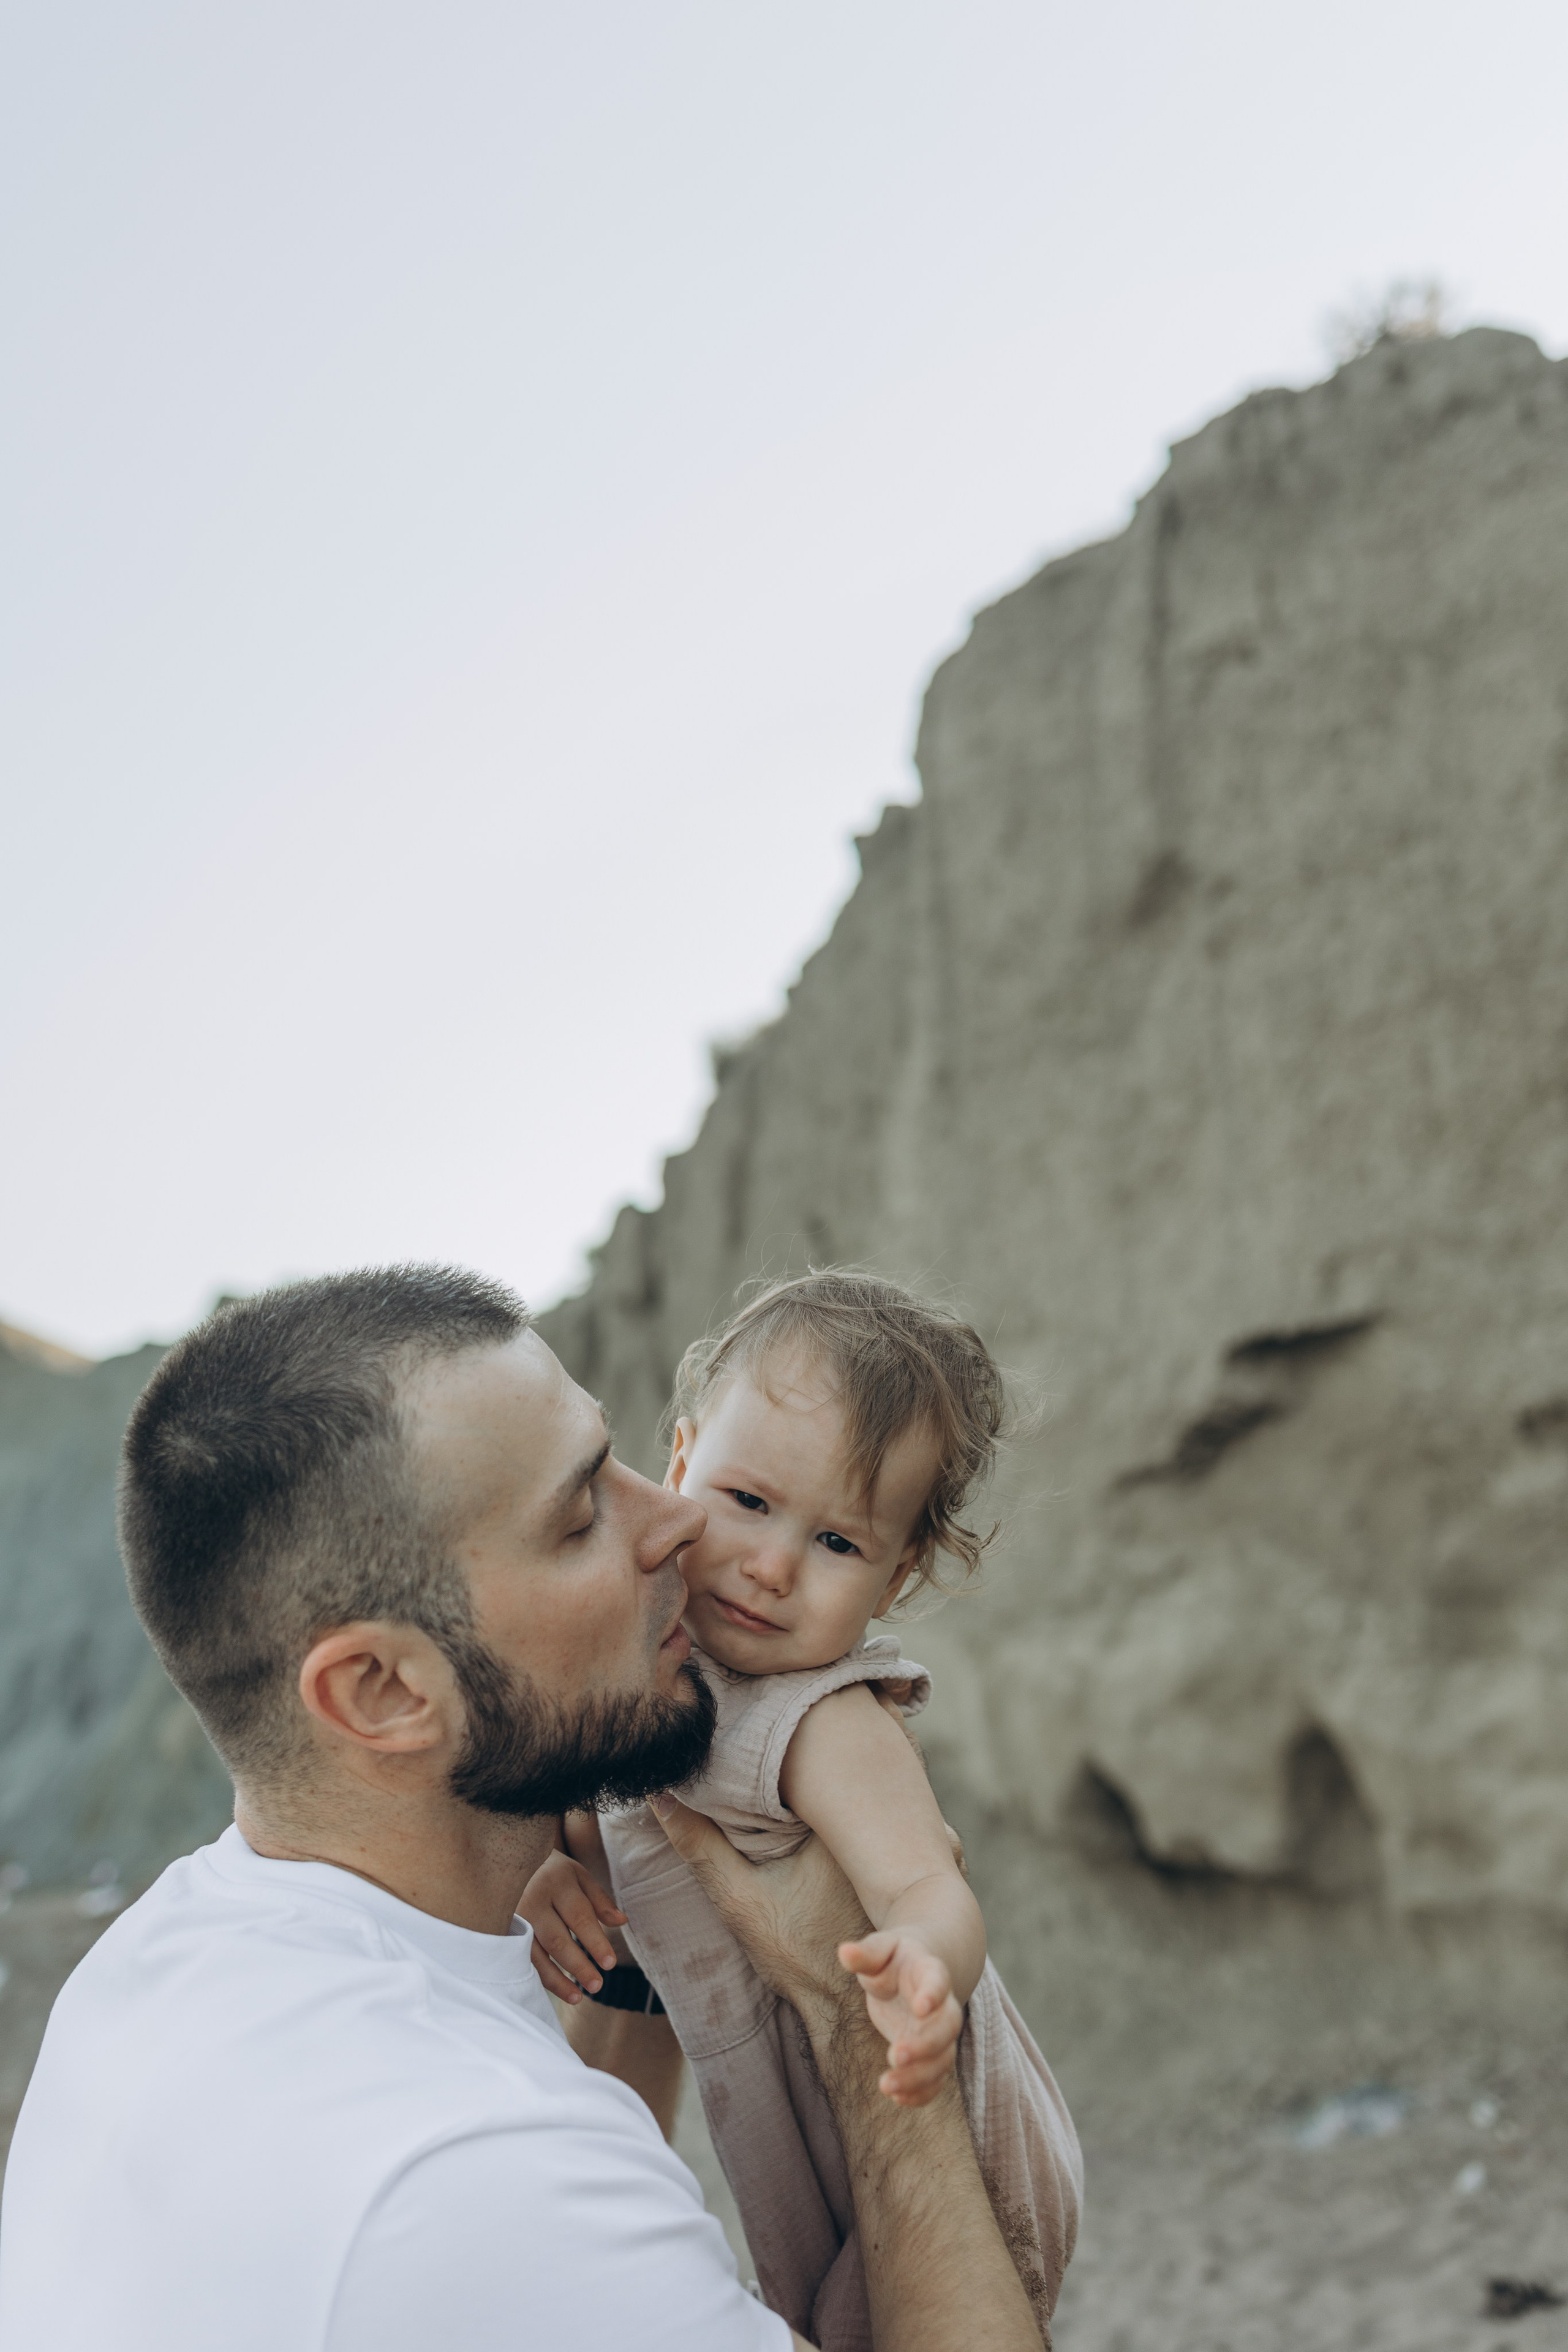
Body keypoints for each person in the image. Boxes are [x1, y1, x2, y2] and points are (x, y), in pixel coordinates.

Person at [0, 1266, 1049, 2352]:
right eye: (580, 1513)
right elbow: (535, 2225)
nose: (677, 1523)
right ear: (386, 1692)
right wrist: (842, 2004)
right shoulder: (474, 2178)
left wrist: (636, 1942)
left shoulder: (145, 1968)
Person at [521, 1272, 1081, 2349]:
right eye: (747, 1502)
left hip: (950, 2140)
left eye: (838, 1544)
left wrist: (925, 1969)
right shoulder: (640, 1665)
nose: (772, 1566)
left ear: (898, 1572)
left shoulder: (821, 1719)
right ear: (681, 1463)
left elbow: (927, 1882)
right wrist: (546, 1878)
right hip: (794, 2136)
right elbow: (577, 1825)